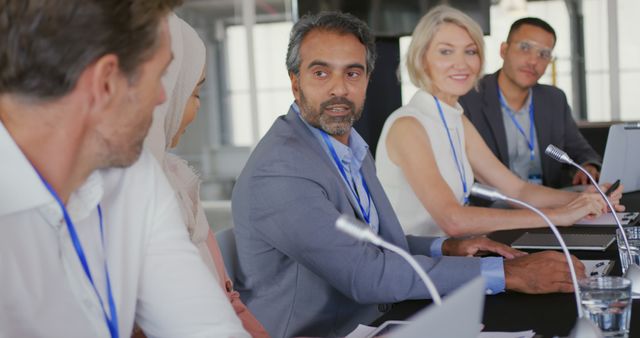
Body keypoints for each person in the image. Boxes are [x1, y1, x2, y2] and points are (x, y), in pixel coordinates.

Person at [232, 11, 588, 338]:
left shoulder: (348, 145)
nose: (339, 88)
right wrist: (507, 274)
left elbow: (371, 242)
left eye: (352, 73)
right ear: (295, 83)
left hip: (379, 311)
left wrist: (444, 246)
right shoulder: (282, 169)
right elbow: (366, 274)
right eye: (321, 73)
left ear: (367, 79)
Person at [0, 1, 249, 337]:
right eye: (159, 75)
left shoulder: (134, 174)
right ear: (105, 83)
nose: (164, 97)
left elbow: (208, 330)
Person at [375, 6, 621, 238]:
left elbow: (516, 190)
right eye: (446, 51)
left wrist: (589, 198)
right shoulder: (408, 125)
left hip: (456, 251)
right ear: (421, 58)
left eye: (470, 51)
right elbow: (454, 219)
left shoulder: (455, 118)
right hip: (416, 263)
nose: (462, 63)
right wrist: (559, 215)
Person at [143, 14, 269, 338]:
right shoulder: (132, 198)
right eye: (193, 93)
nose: (196, 108)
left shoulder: (178, 179)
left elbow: (228, 301)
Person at [459, 17, 602, 188]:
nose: (533, 61)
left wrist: (589, 166)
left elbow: (580, 151)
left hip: (549, 204)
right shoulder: (468, 97)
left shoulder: (554, 99)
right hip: (493, 207)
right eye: (525, 48)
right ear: (504, 50)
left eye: (544, 54)